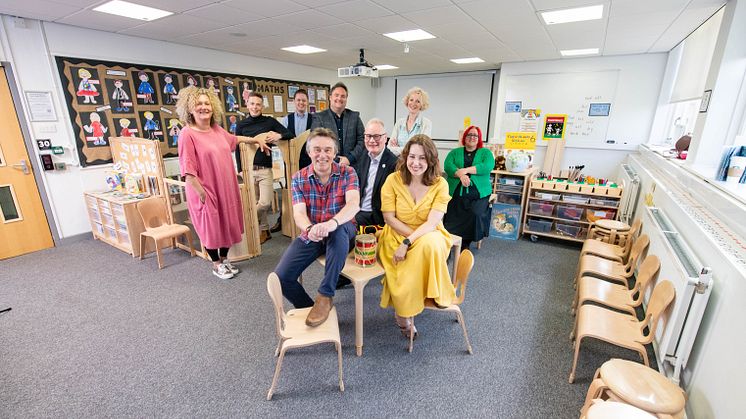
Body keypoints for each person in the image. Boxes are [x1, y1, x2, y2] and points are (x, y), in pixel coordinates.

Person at [176, 86, 268, 279]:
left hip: (226, 187)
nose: (203, 107)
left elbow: (234, 139)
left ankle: (224, 259)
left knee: (228, 224)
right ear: (189, 108)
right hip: (205, 190)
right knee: (211, 228)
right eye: (198, 104)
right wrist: (202, 194)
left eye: (207, 103)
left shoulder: (216, 129)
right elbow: (188, 170)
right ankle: (216, 264)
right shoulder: (187, 134)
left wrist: (254, 140)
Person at [273, 128, 360, 327]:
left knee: (338, 231)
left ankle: (325, 295)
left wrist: (332, 223)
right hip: (313, 232)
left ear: (335, 153)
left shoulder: (348, 172)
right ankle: (311, 307)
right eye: (317, 150)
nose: (323, 155)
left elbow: (353, 204)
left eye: (328, 150)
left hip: (343, 229)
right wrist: (310, 228)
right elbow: (299, 214)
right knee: (281, 278)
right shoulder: (299, 178)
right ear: (309, 152)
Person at [377, 134, 455, 339]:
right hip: (396, 232)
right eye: (412, 157)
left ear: (431, 160)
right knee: (412, 255)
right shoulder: (393, 180)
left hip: (428, 232)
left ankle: (407, 308)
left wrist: (409, 242)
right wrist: (406, 239)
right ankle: (404, 312)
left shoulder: (441, 184)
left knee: (427, 245)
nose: (416, 163)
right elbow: (389, 218)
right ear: (405, 157)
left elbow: (431, 223)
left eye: (422, 158)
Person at [235, 92, 293, 243]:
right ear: (247, 105)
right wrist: (240, 168)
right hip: (248, 169)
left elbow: (289, 134)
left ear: (262, 106)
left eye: (258, 104)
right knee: (255, 201)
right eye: (252, 104)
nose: (255, 107)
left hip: (265, 169)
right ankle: (264, 231)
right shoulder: (241, 125)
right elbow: (236, 147)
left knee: (264, 203)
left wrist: (278, 136)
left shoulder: (269, 122)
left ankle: (247, 220)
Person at [443, 125, 495, 250]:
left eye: (475, 135)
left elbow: (487, 166)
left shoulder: (486, 153)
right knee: (452, 211)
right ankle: (450, 240)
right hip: (455, 191)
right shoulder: (454, 152)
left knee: (475, 213)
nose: (472, 137)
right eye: (469, 135)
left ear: (479, 138)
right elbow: (448, 166)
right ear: (464, 137)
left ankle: (466, 243)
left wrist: (465, 170)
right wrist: (461, 175)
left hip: (478, 193)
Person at [353, 118, 398, 228]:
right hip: (357, 211)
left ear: (385, 138)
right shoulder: (363, 156)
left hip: (377, 217)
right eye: (368, 136)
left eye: (376, 136)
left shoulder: (394, 163)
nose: (372, 140)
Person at [311, 82, 365, 166]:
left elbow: (362, 140)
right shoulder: (319, 118)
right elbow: (314, 143)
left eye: (343, 96)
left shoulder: (355, 117)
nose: (339, 98)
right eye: (336, 95)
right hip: (328, 166)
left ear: (346, 99)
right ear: (330, 97)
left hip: (353, 166)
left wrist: (350, 158)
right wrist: (336, 160)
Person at [389, 87, 432, 154]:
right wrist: (411, 150)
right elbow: (390, 147)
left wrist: (398, 148)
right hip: (398, 163)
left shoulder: (426, 123)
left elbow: (423, 148)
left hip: (415, 163)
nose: (413, 104)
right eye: (411, 100)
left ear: (422, 105)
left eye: (418, 101)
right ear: (407, 101)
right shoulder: (399, 123)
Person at [281, 88, 313, 169]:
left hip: (310, 161)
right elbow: (282, 141)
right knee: (291, 182)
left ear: (307, 102)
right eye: (298, 100)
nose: (301, 102)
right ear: (294, 102)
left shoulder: (315, 119)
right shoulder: (286, 120)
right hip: (291, 161)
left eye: (304, 100)